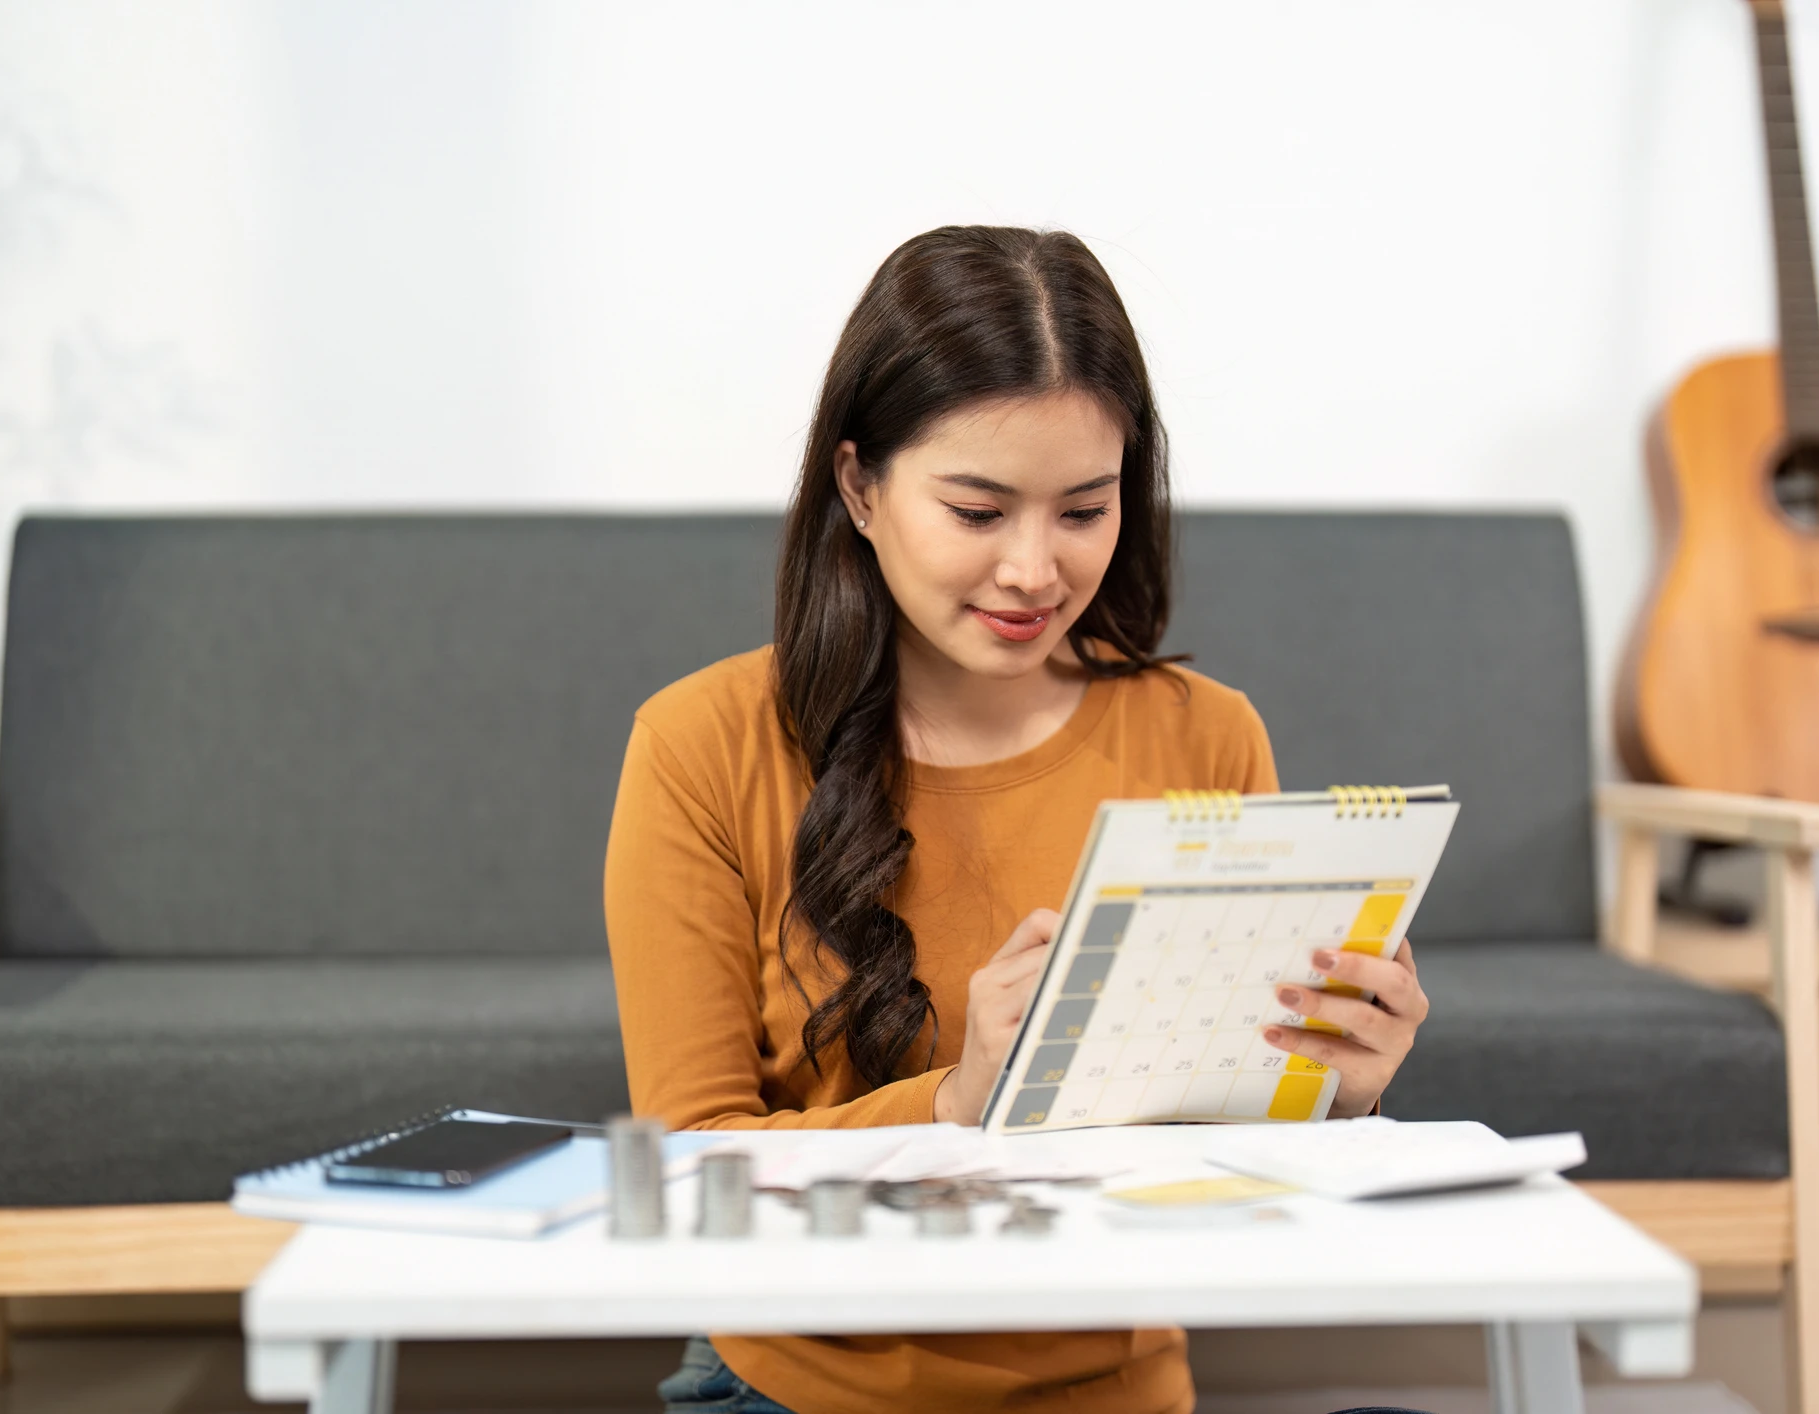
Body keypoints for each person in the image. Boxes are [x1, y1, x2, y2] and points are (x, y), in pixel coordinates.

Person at [604, 225, 1431, 1414]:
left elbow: (1235, 1153)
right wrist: (953, 1102)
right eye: (980, 512)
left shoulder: (1206, 737)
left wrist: (1342, 1089)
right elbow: (687, 1172)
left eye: (1083, 510)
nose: (1036, 571)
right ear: (859, 486)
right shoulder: (699, 746)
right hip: (804, 1389)